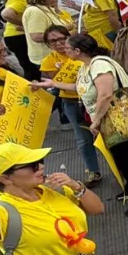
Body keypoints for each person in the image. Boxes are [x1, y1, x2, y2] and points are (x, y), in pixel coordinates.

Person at [66, 34, 128, 215]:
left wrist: (96, 120)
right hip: (111, 119)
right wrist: (52, 84)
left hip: (122, 118)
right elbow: (84, 88)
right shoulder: (86, 66)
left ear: (78, 51)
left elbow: (105, 94)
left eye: (67, 47)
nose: (63, 50)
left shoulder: (100, 65)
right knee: (121, 157)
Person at [39, 25, 101, 185]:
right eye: (53, 41)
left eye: (61, 39)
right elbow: (59, 83)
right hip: (72, 102)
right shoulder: (49, 62)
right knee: (83, 138)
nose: (58, 44)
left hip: (94, 99)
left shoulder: (80, 52)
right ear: (47, 44)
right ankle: (93, 171)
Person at [20, 0, 73, 74]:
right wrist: (67, 28)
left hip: (58, 55)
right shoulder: (35, 11)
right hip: (47, 58)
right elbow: (36, 36)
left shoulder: (46, 8)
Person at [1, 0, 38, 78]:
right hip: (17, 37)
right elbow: (6, 14)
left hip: (20, 36)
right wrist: (26, 25)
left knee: (33, 65)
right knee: (30, 67)